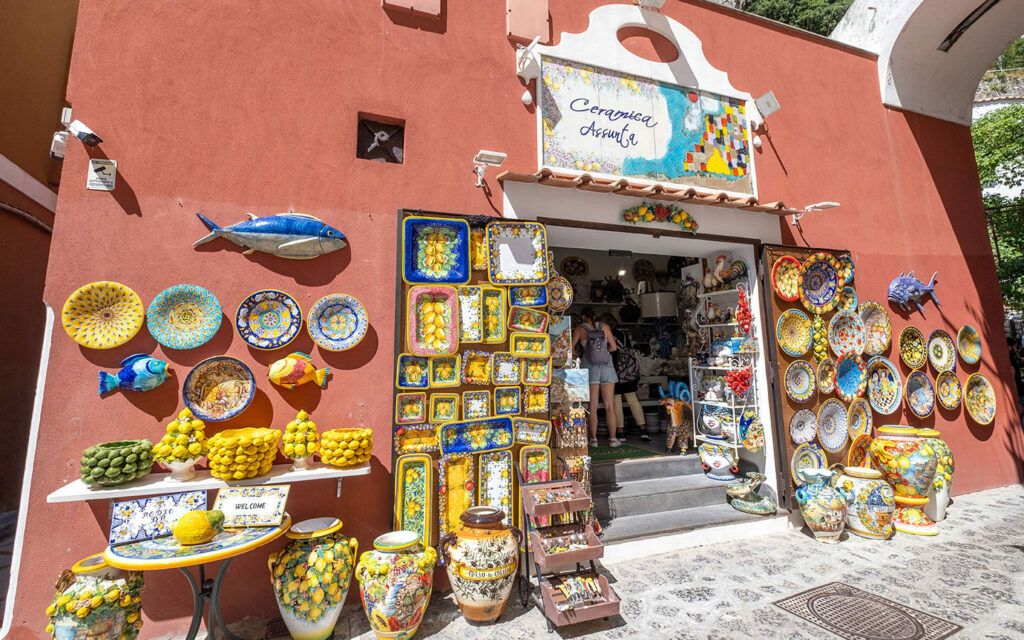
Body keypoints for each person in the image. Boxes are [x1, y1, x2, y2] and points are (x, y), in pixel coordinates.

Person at [572, 307, 619, 447]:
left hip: (590, 367)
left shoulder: (580, 329)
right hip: (607, 367)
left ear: (583, 317)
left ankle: (593, 440)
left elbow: (570, 347)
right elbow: (614, 347)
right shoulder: (605, 327)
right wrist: (604, 353)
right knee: (610, 405)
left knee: (592, 406)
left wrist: (581, 356)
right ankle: (613, 439)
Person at [600, 313, 650, 442]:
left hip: (614, 370)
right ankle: (643, 430)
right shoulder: (622, 334)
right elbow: (629, 349)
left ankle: (620, 432)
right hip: (627, 371)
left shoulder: (604, 334)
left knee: (616, 401)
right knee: (633, 399)